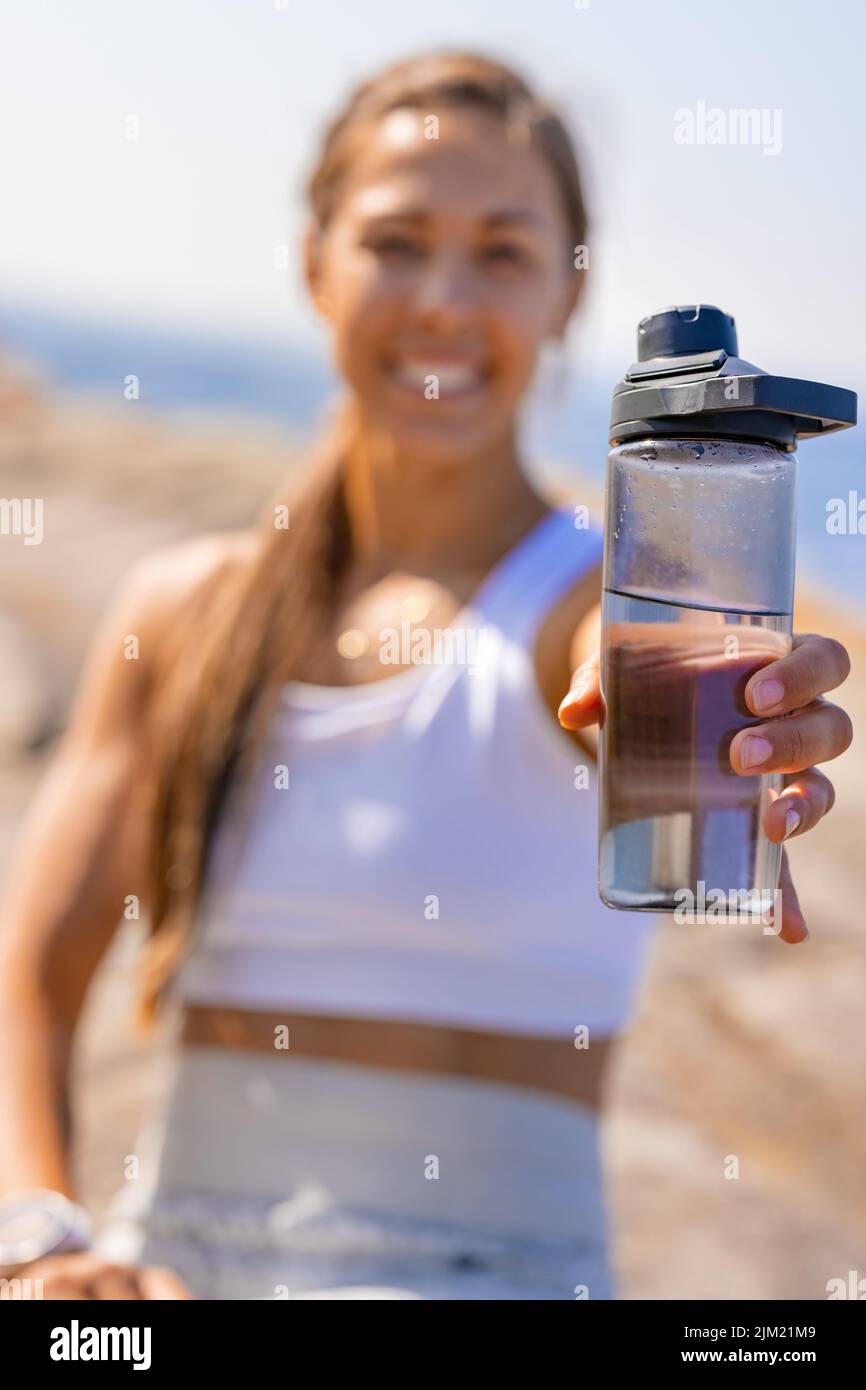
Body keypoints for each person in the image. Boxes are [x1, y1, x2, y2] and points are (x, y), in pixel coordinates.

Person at [0, 51, 853, 1301]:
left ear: (567, 293)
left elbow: (613, 676)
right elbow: (35, 971)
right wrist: (45, 1242)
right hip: (160, 1274)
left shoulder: (595, 598)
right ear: (314, 263)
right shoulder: (180, 613)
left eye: (502, 252)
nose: (445, 300)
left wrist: (717, 729)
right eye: (396, 241)